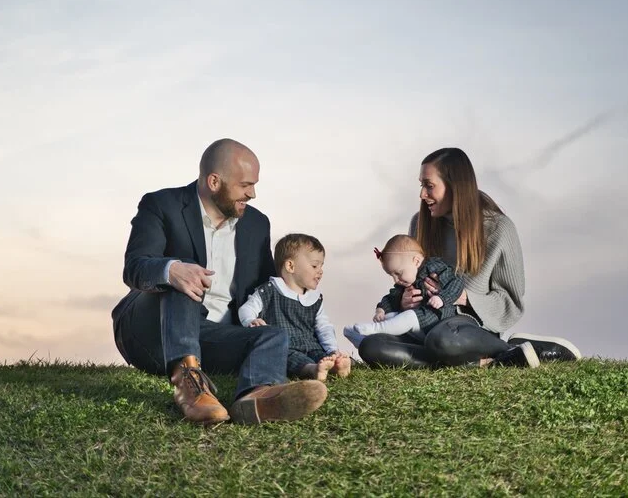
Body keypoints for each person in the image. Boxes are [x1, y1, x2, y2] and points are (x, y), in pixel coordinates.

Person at [111, 138, 328, 426]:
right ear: (214, 181)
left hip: (216, 335)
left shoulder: (257, 223)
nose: (253, 194)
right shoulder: (161, 205)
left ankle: (257, 396)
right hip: (152, 331)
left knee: (271, 335)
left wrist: (314, 359)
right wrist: (172, 269)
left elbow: (267, 291)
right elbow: (134, 268)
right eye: (246, 185)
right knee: (185, 278)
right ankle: (189, 385)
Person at [356, 147, 582, 369]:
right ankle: (495, 359)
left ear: (455, 187)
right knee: (371, 346)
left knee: (442, 340)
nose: (422, 194)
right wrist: (405, 301)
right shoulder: (419, 223)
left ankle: (503, 347)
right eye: (421, 185)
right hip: (423, 322)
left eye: (429, 186)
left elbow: (510, 301)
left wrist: (464, 297)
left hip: (465, 329)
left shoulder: (499, 228)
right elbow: (408, 280)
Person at [238, 233, 351, 381]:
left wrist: (332, 350)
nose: (320, 271)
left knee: (322, 356)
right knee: (289, 359)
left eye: (322, 266)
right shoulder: (269, 291)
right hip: (285, 347)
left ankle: (337, 366)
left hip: (311, 346)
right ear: (290, 266)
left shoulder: (314, 298)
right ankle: (313, 370)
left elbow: (324, 327)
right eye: (315, 265)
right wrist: (251, 320)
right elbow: (246, 309)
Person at [344, 234, 466, 341]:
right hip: (419, 324)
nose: (396, 280)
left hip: (436, 318)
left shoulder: (433, 267)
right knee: (389, 317)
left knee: (407, 317)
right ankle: (365, 340)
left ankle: (376, 330)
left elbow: (456, 281)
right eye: (391, 275)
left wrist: (442, 298)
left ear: (416, 261)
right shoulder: (407, 280)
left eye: (398, 273)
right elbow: (392, 296)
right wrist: (381, 310)